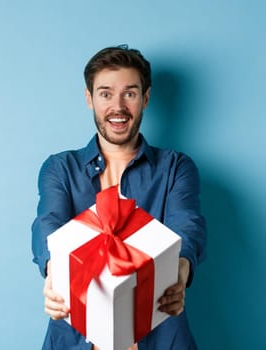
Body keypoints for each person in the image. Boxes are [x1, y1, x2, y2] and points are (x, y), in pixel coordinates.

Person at [31, 45, 207, 349]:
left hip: (161, 332)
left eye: (130, 93)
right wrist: (53, 271)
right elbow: (48, 223)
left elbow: (187, 225)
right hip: (74, 337)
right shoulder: (60, 168)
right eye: (105, 93)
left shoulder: (176, 167)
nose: (118, 106)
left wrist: (180, 269)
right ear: (89, 99)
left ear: (146, 98)